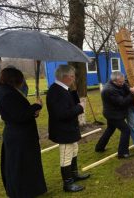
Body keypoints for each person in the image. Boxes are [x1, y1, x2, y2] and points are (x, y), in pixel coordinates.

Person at [0, 67, 47, 198]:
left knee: (25, 164)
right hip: (19, 137)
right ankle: (22, 192)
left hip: (18, 134)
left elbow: (18, 113)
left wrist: (32, 112)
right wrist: (36, 106)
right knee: (20, 166)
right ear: (14, 79)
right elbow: (19, 116)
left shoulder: (7, 91)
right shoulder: (8, 94)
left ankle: (30, 189)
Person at [46, 64, 89, 193]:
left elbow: (71, 103)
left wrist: (74, 91)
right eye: (72, 76)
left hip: (69, 128)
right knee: (66, 154)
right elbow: (62, 114)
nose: (74, 78)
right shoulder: (56, 91)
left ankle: (74, 174)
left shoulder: (64, 89)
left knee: (74, 150)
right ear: (66, 77)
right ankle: (68, 183)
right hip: (62, 130)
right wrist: (80, 107)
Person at [95, 71, 134, 158]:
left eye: (123, 81)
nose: (122, 83)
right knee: (126, 130)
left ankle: (99, 147)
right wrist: (132, 93)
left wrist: (131, 89)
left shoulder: (118, 84)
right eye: (120, 82)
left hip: (113, 113)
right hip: (113, 115)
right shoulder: (110, 90)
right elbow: (122, 102)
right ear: (114, 81)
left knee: (110, 129)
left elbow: (125, 86)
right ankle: (123, 153)